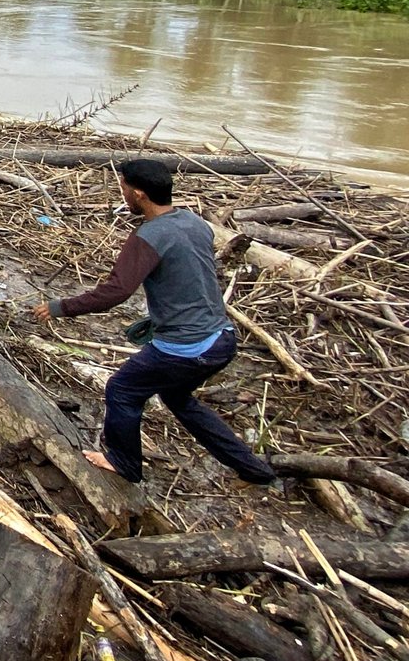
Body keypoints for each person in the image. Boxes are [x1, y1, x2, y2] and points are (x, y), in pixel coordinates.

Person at [33, 159, 276, 486]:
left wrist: (60, 307)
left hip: (188, 347)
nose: (122, 195)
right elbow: (189, 274)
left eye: (123, 189)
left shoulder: (148, 236)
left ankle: (124, 462)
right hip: (222, 337)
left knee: (122, 389)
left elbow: (116, 291)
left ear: (139, 194)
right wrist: (161, 316)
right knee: (177, 399)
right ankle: (255, 470)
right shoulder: (195, 223)